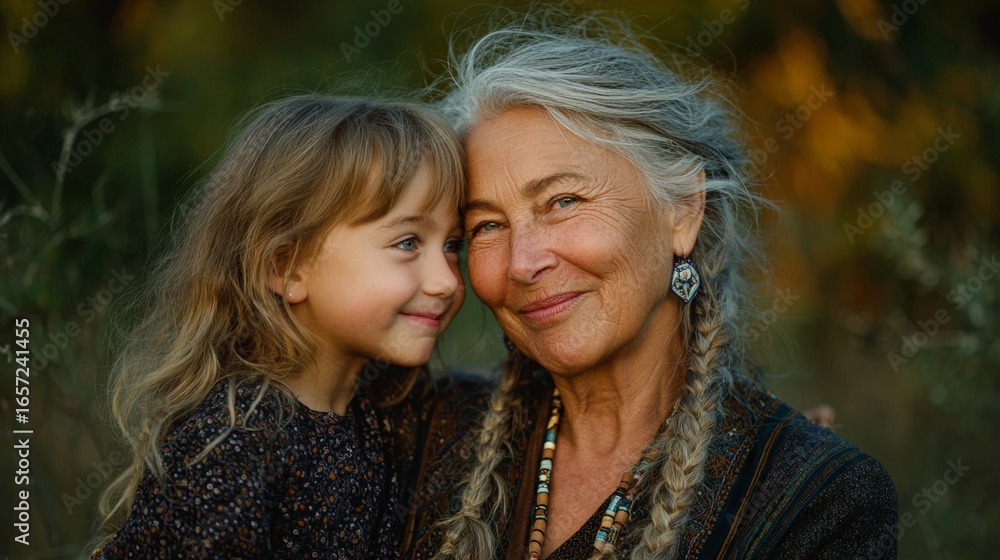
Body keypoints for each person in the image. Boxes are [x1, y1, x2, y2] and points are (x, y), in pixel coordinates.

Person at [395, 20, 898, 560]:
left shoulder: (816, 498)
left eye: (563, 202)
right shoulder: (421, 430)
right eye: (486, 226)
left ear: (683, 209)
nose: (522, 263)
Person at [92, 95, 466, 558]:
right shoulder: (236, 440)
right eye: (408, 241)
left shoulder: (388, 404)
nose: (447, 281)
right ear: (287, 267)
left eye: (453, 244)